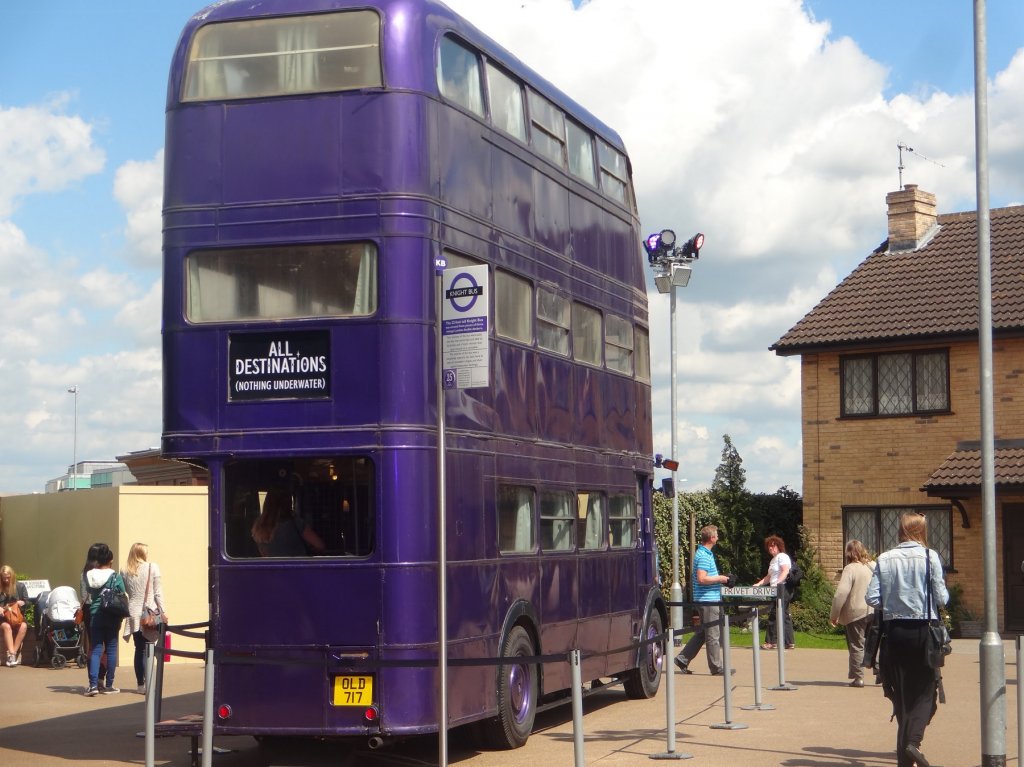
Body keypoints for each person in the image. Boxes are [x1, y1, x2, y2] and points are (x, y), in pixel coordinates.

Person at [866, 512, 948, 767]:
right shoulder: (929, 556)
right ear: (921, 531)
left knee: (901, 696)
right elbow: (942, 598)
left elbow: (872, 598)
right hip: (924, 632)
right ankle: (913, 743)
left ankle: (905, 759)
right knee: (926, 692)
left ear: (901, 531)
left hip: (893, 633)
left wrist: (893, 603)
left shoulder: (886, 558)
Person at [674, 525, 733, 676]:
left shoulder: (705, 553)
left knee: (703, 633)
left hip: (710, 599)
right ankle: (716, 667)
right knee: (713, 634)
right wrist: (722, 578)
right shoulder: (704, 555)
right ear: (712, 538)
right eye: (717, 534)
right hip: (707, 601)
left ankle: (682, 658)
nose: (718, 537)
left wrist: (722, 579)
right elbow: (702, 578)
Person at [122, 543, 168, 694]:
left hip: (133, 612)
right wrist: (163, 611)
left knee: (139, 649)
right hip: (149, 613)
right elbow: (157, 592)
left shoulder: (124, 571)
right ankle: (149, 684)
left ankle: (140, 685)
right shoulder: (152, 567)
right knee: (149, 648)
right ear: (143, 553)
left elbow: (125, 593)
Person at [829, 539, 875, 687]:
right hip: (873, 610)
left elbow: (840, 594)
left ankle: (858, 677)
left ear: (848, 552)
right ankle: (881, 672)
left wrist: (834, 615)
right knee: (873, 643)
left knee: (857, 645)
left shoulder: (850, 568)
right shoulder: (873, 566)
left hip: (856, 612)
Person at [83, 543, 125, 696]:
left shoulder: (89, 575)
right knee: (112, 649)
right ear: (110, 561)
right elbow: (122, 592)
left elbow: (89, 591)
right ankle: (109, 685)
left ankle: (93, 685)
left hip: (95, 614)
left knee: (95, 649)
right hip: (112, 615)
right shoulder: (115, 576)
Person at [251, 488, 326, 557]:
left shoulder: (259, 526)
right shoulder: (296, 523)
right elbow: (319, 545)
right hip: (297, 568)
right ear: (288, 503)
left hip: (273, 569)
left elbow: (263, 554)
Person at [753, 534, 795, 649]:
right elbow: (768, 577)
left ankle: (771, 642)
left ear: (778, 546)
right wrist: (759, 584)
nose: (771, 548)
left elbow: (785, 571)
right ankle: (789, 642)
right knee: (784, 614)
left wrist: (777, 584)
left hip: (783, 589)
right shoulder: (773, 560)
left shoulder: (782, 556)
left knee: (774, 614)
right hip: (776, 589)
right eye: (769, 547)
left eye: (773, 546)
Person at [0, 565, 29, 667]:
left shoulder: (20, 586)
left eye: (8, 577)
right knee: (7, 627)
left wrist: (22, 603)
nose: (6, 580)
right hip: (3, 617)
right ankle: (12, 655)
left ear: (12, 575)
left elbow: (27, 601)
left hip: (17, 616)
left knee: (24, 626)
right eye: (4, 578)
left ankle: (12, 654)